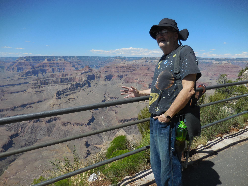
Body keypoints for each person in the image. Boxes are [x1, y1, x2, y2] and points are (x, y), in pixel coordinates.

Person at [121, 18, 201, 186]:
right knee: (157, 165)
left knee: (170, 167)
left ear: (175, 35)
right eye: (157, 33)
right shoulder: (163, 59)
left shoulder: (184, 52)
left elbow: (189, 89)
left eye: (164, 32)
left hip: (170, 121)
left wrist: (168, 115)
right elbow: (159, 88)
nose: (160, 36)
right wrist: (138, 93)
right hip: (156, 120)